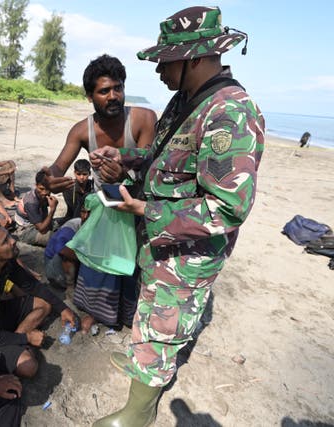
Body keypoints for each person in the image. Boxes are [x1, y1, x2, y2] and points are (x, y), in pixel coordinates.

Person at [91, 7, 265, 426]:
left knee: (165, 323)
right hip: (165, 241)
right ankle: (141, 360)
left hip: (190, 251)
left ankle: (139, 410)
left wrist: (146, 209)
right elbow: (164, 156)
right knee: (150, 310)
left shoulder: (229, 113)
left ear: (194, 59)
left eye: (165, 62)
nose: (158, 71)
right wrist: (127, 157)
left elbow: (228, 207)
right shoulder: (187, 99)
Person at [0, 221, 78, 378]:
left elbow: (33, 286)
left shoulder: (6, 261)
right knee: (29, 366)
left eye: (9, 236)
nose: (13, 241)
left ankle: (15, 341)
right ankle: (16, 344)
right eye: (5, 241)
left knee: (44, 304)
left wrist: (63, 309)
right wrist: (27, 337)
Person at [44, 54, 157, 193]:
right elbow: (58, 167)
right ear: (90, 97)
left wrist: (122, 174)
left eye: (118, 88)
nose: (113, 96)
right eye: (104, 91)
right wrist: (49, 179)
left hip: (138, 206)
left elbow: (149, 168)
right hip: (101, 206)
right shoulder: (81, 131)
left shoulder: (144, 119)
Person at [44, 205, 89, 289]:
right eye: (83, 212)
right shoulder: (72, 227)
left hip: (63, 264)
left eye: (90, 213)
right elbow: (62, 251)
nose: (85, 217)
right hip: (54, 270)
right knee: (69, 252)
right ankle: (70, 288)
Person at [14, 170, 58, 247]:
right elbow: (41, 229)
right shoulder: (31, 202)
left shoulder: (43, 195)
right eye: (41, 189)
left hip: (39, 223)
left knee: (65, 224)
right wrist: (52, 210)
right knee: (54, 238)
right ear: (36, 185)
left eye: (47, 189)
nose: (44, 192)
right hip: (25, 231)